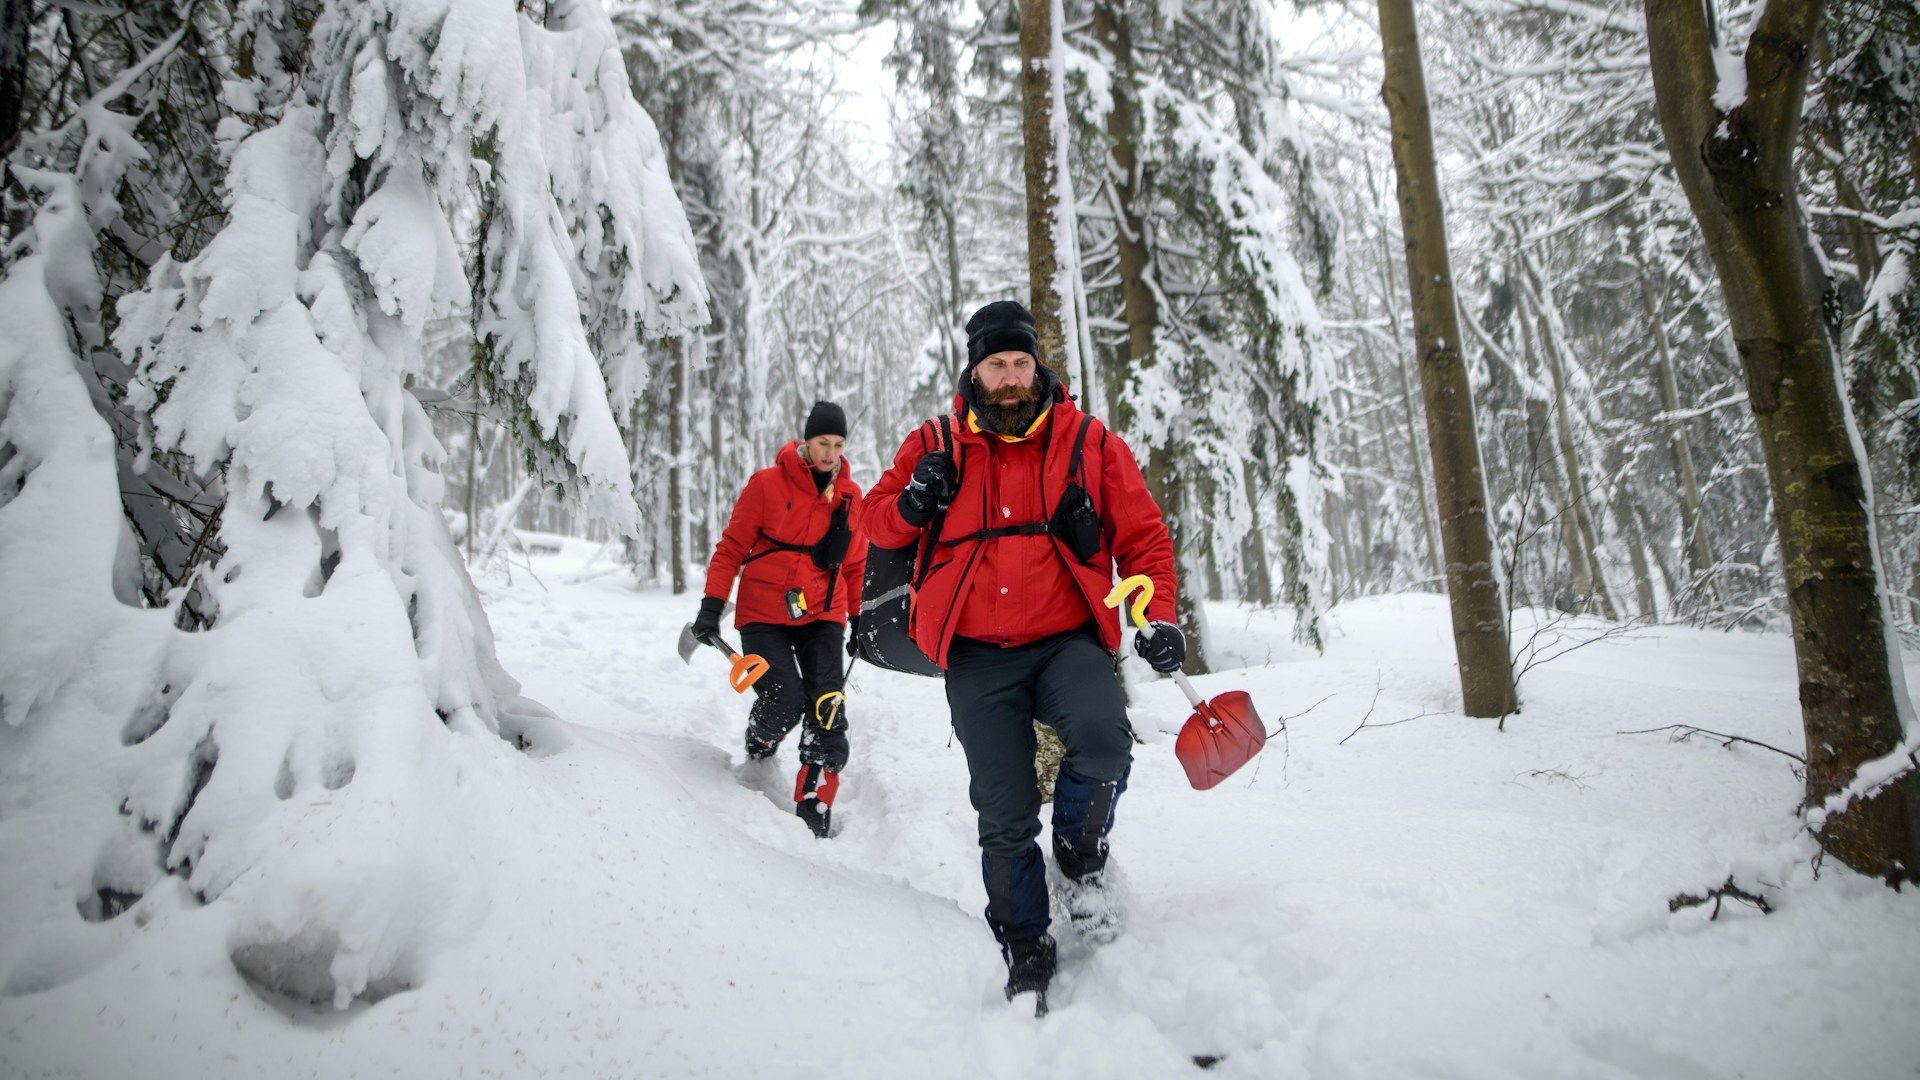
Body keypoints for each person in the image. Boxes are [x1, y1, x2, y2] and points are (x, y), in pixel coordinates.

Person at [863, 300, 1184, 1004]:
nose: (1010, 378)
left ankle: (1078, 851)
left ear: (1038, 365)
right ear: (974, 370)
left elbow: (1145, 541)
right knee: (1003, 813)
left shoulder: (1088, 442)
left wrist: (1157, 617)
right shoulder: (936, 443)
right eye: (995, 365)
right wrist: (916, 501)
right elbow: (874, 523)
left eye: (1019, 363)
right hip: (978, 655)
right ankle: (1025, 940)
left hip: (1067, 639)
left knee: (1103, 741)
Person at [694, 401, 866, 838]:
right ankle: (761, 738)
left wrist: (859, 618)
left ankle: (814, 806)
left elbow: (856, 565)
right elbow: (732, 547)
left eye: (839, 445)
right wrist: (712, 604)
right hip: (764, 612)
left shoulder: (849, 496)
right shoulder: (767, 485)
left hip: (822, 612)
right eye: (823, 443)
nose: (831, 453)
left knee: (827, 705)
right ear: (806, 442)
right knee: (785, 698)